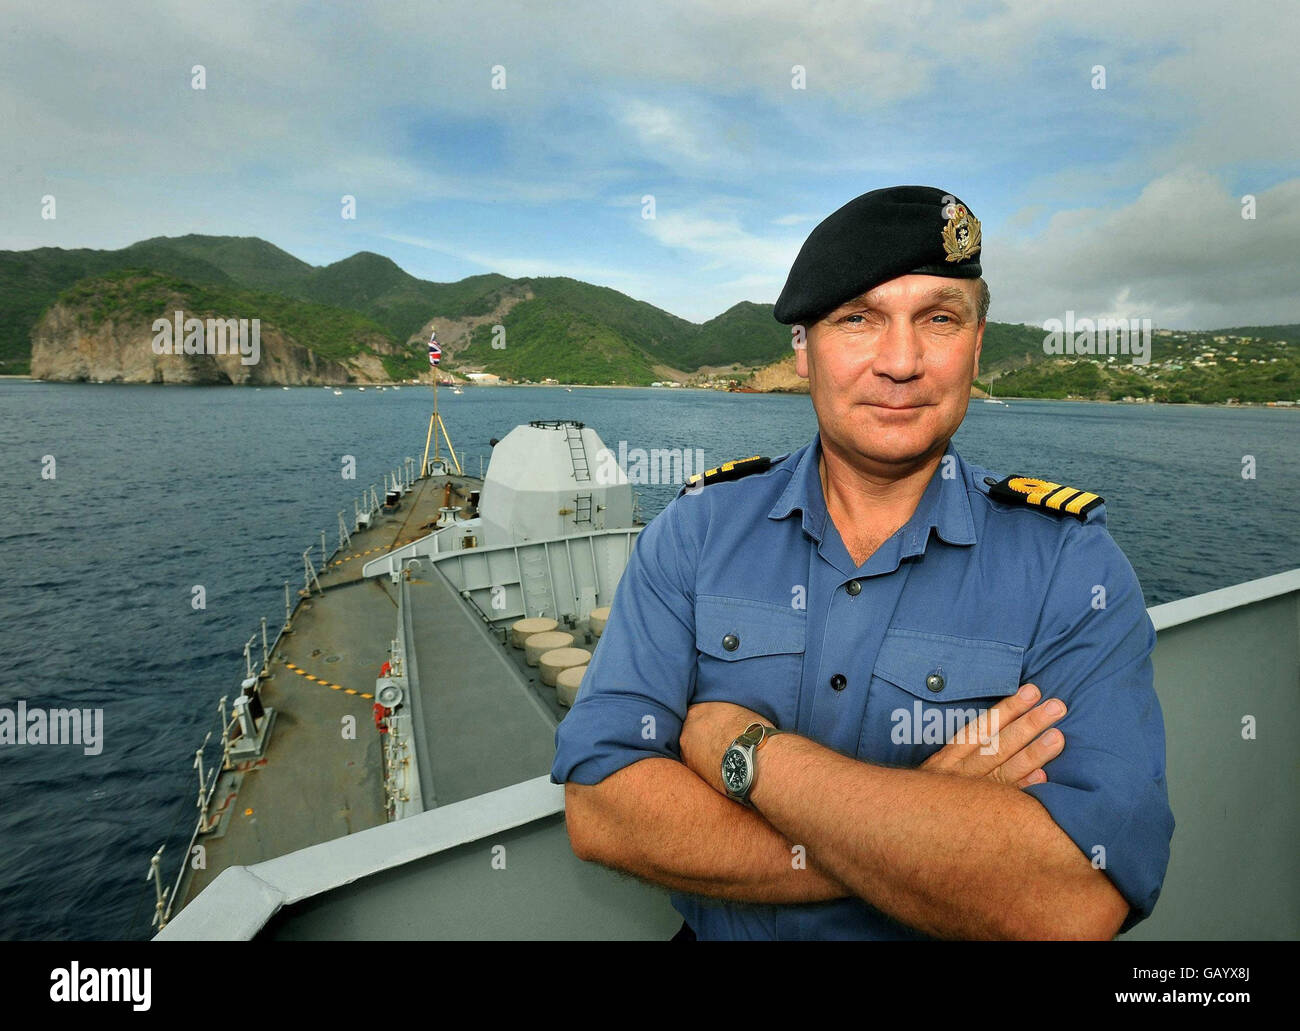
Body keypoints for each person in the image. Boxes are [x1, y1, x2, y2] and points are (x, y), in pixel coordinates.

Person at [551, 185, 1174, 940]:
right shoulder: (698, 530)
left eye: (939, 318)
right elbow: (602, 805)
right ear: (804, 350)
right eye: (859, 319)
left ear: (977, 344)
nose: (903, 362)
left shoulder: (1071, 567)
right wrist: (914, 831)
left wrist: (750, 755)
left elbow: (1075, 897)